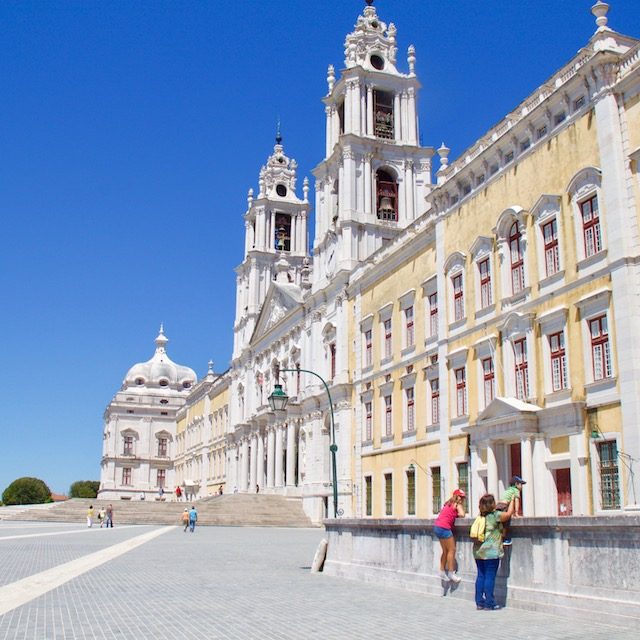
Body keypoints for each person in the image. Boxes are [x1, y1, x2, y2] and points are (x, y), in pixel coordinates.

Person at [473, 493, 516, 610]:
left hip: (478, 551)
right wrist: (512, 500)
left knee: (481, 575)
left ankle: (479, 602)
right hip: (491, 552)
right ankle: (489, 603)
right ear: (491, 504)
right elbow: (508, 515)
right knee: (490, 576)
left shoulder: (480, 517)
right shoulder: (495, 516)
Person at [433, 489, 466, 582]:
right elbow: (462, 514)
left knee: (445, 551)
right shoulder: (457, 504)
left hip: (437, 526)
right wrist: (457, 514)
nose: (462, 499)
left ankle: (442, 571)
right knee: (452, 550)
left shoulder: (447, 504)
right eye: (461, 497)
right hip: (445, 528)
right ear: (457, 497)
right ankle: (451, 573)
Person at [497, 476, 526, 545]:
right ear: (516, 484)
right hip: (504, 506)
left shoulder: (508, 490)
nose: (522, 486)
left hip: (498, 505)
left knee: (500, 523)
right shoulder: (515, 490)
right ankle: (505, 538)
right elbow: (516, 501)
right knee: (506, 522)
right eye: (521, 484)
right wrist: (516, 513)